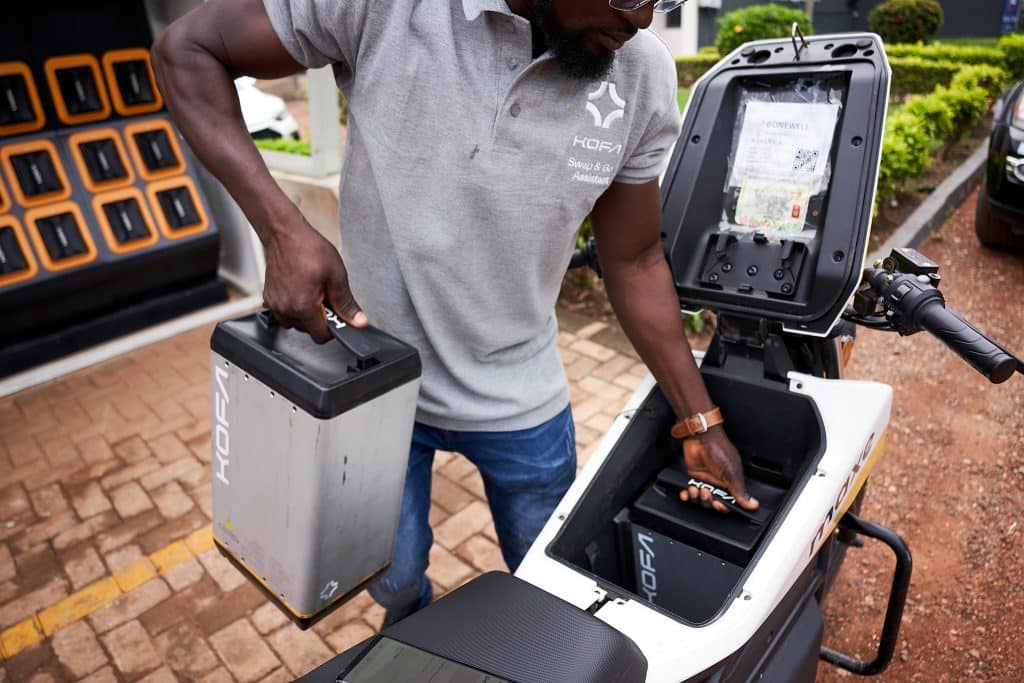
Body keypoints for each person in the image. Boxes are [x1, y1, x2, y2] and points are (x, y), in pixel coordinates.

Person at [154, 0, 759, 624]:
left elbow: (633, 263)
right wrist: (282, 232)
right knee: (392, 577)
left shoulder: (641, 74)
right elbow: (188, 50)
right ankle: (410, 616)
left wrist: (701, 420)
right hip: (371, 383)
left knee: (554, 592)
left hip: (520, 394)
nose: (643, 21)